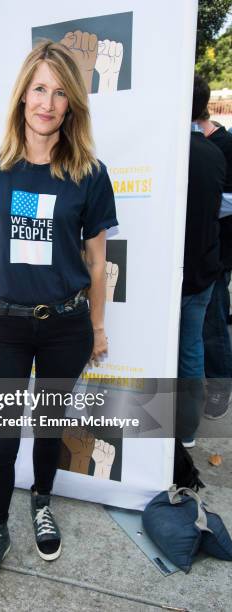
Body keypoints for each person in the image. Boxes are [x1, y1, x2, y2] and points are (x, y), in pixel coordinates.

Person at [0, 40, 117, 599]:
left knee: (48, 427)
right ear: (23, 95)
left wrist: (96, 326)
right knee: (1, 440)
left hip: (67, 326)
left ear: (72, 106)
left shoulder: (89, 174)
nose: (48, 102)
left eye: (60, 93)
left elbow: (97, 260)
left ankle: (41, 502)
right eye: (39, 88)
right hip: (6, 327)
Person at [177, 75, 226, 447]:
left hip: (179, 273)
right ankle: (187, 430)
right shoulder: (213, 152)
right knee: (191, 348)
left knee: (178, 349)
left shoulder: (172, 151)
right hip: (203, 270)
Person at [191, 76, 232, 420]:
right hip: (198, 248)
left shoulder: (223, 145)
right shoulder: (190, 145)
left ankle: (219, 388)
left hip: (216, 252)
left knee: (213, 325)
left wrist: (207, 201)